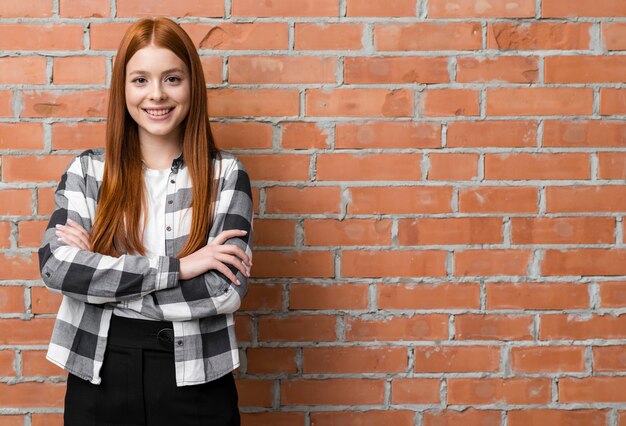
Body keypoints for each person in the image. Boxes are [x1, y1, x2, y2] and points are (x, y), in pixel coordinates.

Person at [38, 17, 253, 426]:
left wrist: (101, 281)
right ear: (123, 88)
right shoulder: (87, 172)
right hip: (99, 371)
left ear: (193, 86)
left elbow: (222, 289)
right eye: (140, 80)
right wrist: (180, 268)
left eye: (172, 78)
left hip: (197, 380)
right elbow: (58, 267)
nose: (156, 95)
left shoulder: (225, 174)